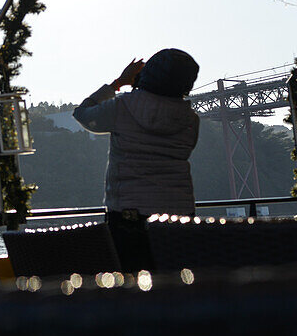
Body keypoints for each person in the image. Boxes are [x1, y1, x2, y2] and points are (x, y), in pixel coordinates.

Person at [72, 48, 201, 270]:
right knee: (175, 287)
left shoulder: (121, 107)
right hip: (180, 215)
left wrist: (118, 83)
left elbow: (83, 114)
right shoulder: (191, 120)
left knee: (131, 289)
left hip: (129, 216)